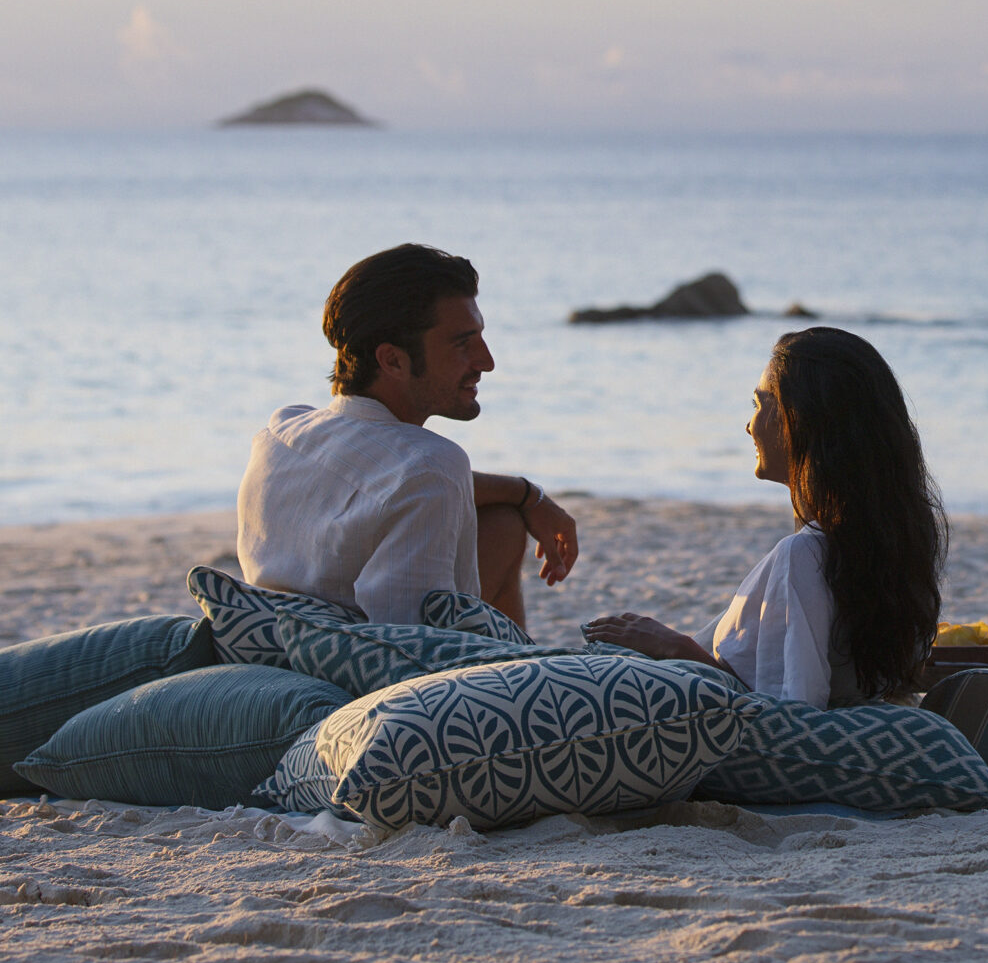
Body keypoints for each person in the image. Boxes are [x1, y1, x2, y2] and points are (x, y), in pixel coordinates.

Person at [585, 326, 944, 707]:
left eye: (758, 404)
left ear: (798, 419)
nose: (749, 425)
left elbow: (786, 717)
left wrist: (673, 647)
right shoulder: (898, 545)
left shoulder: (805, 556)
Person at [237, 244, 579, 629]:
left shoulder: (281, 432)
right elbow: (412, 644)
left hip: (281, 642)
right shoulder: (432, 464)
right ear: (393, 360)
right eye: (462, 344)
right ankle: (514, 674)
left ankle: (517, 662)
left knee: (502, 523)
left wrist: (524, 494)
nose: (487, 361)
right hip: (359, 669)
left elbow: (384, 481)